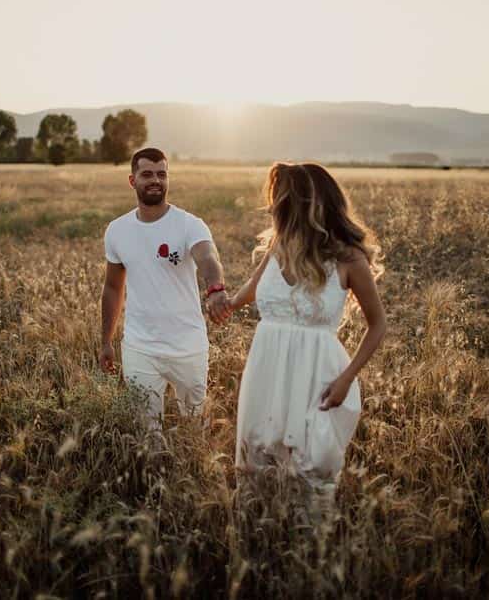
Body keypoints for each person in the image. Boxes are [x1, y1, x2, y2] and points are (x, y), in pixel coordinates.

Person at [228, 162, 386, 509]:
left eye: (280, 200)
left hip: (319, 373)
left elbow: (378, 325)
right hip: (267, 369)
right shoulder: (277, 248)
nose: (273, 208)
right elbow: (249, 292)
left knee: (312, 465)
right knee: (259, 456)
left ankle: (310, 551)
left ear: (306, 203)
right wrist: (223, 303)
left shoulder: (349, 259)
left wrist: (347, 378)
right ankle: (261, 541)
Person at [99, 147, 231, 428]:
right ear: (132, 180)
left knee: (194, 426)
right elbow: (112, 288)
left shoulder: (189, 225)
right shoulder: (117, 230)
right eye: (147, 174)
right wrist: (106, 342)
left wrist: (216, 288)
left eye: (162, 174)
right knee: (147, 431)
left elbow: (208, 257)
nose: (155, 180)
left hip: (188, 347)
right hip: (140, 347)